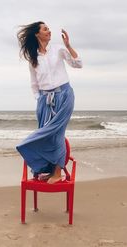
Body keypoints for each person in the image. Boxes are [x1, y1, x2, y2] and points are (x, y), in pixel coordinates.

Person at [15, 21, 82, 184]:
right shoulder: (33, 57)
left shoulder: (58, 49)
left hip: (64, 95)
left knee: (57, 133)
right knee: (45, 134)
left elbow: (78, 64)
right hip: (45, 99)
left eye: (48, 29)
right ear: (37, 34)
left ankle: (58, 173)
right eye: (45, 29)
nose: (49, 31)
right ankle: (47, 169)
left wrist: (68, 45)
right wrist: (40, 100)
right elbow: (34, 83)